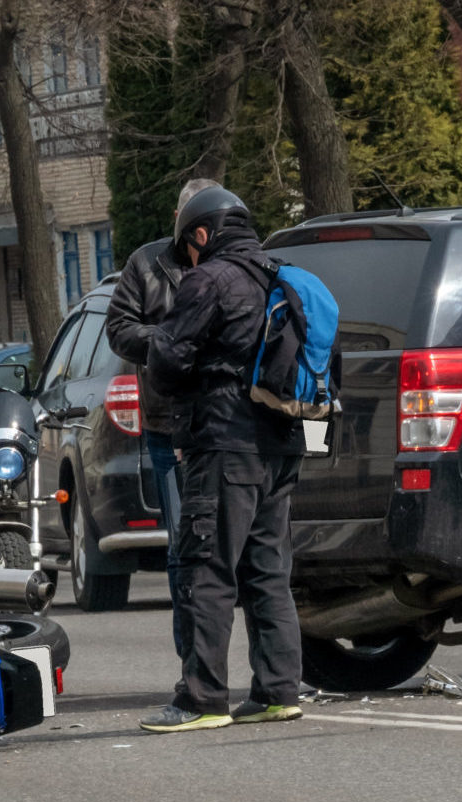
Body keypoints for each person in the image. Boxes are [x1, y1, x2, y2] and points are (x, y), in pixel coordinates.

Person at [138, 185, 305, 733]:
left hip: (224, 444)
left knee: (205, 569)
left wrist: (176, 366)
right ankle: (279, 690)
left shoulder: (208, 279)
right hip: (281, 444)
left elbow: (167, 358)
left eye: (189, 244)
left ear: (202, 234)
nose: (188, 255)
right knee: (268, 570)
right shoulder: (280, 276)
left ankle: (202, 699)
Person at [102, 177, 220, 659]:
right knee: (183, 544)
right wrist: (170, 340)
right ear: (180, 221)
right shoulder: (146, 263)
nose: (198, 233)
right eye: (191, 221)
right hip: (167, 423)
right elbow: (118, 327)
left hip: (225, 420)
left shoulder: (231, 261)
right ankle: (191, 660)